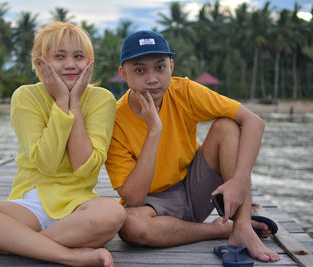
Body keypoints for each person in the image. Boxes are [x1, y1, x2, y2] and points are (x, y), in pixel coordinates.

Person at [0, 22, 125, 267]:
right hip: (29, 204)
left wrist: (75, 104)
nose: (71, 64)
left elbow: (84, 167)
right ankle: (69, 256)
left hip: (78, 205)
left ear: (90, 62)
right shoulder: (26, 96)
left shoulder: (101, 99)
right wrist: (62, 101)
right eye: (60, 56)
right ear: (40, 62)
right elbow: (47, 164)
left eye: (78, 56)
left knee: (113, 213)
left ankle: (12, 244)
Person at [105, 30, 281, 262]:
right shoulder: (115, 119)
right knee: (130, 226)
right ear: (123, 73)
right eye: (140, 70)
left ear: (171, 67)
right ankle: (221, 229)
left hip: (196, 187)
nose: (152, 79)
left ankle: (242, 225)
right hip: (154, 203)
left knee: (227, 125)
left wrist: (238, 181)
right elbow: (134, 199)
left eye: (160, 67)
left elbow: (254, 122)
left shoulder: (184, 92)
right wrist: (154, 130)